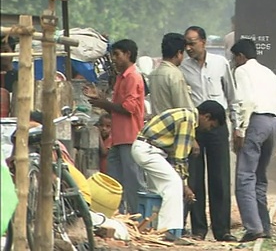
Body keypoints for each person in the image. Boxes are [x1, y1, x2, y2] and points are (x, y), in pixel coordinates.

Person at [130, 102, 222, 245]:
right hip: (148, 150)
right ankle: (167, 231)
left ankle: (150, 230)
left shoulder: (184, 113)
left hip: (146, 148)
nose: (208, 129)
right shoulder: (188, 120)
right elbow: (180, 158)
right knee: (173, 184)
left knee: (159, 191)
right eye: (211, 125)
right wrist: (184, 185)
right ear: (206, 117)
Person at [180, 26, 240, 242]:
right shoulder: (182, 68)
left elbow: (232, 97)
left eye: (192, 43)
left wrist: (237, 127)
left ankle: (222, 229)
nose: (188, 48)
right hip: (194, 128)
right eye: (186, 43)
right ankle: (198, 229)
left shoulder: (220, 64)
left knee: (220, 178)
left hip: (217, 127)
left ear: (203, 42)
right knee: (194, 179)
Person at [231, 38, 276, 242]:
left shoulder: (242, 71)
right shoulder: (271, 74)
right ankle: (264, 226)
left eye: (234, 58)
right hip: (272, 124)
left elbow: (245, 101)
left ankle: (253, 227)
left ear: (240, 56)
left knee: (245, 176)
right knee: (260, 177)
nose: (234, 62)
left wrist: (240, 129)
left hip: (255, 122)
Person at [83, 39, 146, 213]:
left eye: (117, 55)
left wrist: (104, 104)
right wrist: (102, 101)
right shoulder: (121, 77)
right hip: (118, 137)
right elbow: (117, 108)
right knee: (114, 180)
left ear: (128, 54)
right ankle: (119, 214)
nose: (115, 59)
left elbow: (129, 108)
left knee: (133, 180)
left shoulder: (133, 77)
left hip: (130, 136)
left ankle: (139, 217)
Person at [148, 33, 194, 114]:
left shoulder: (153, 74)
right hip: (173, 124)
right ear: (179, 53)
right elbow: (184, 108)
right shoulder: (174, 74)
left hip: (158, 124)